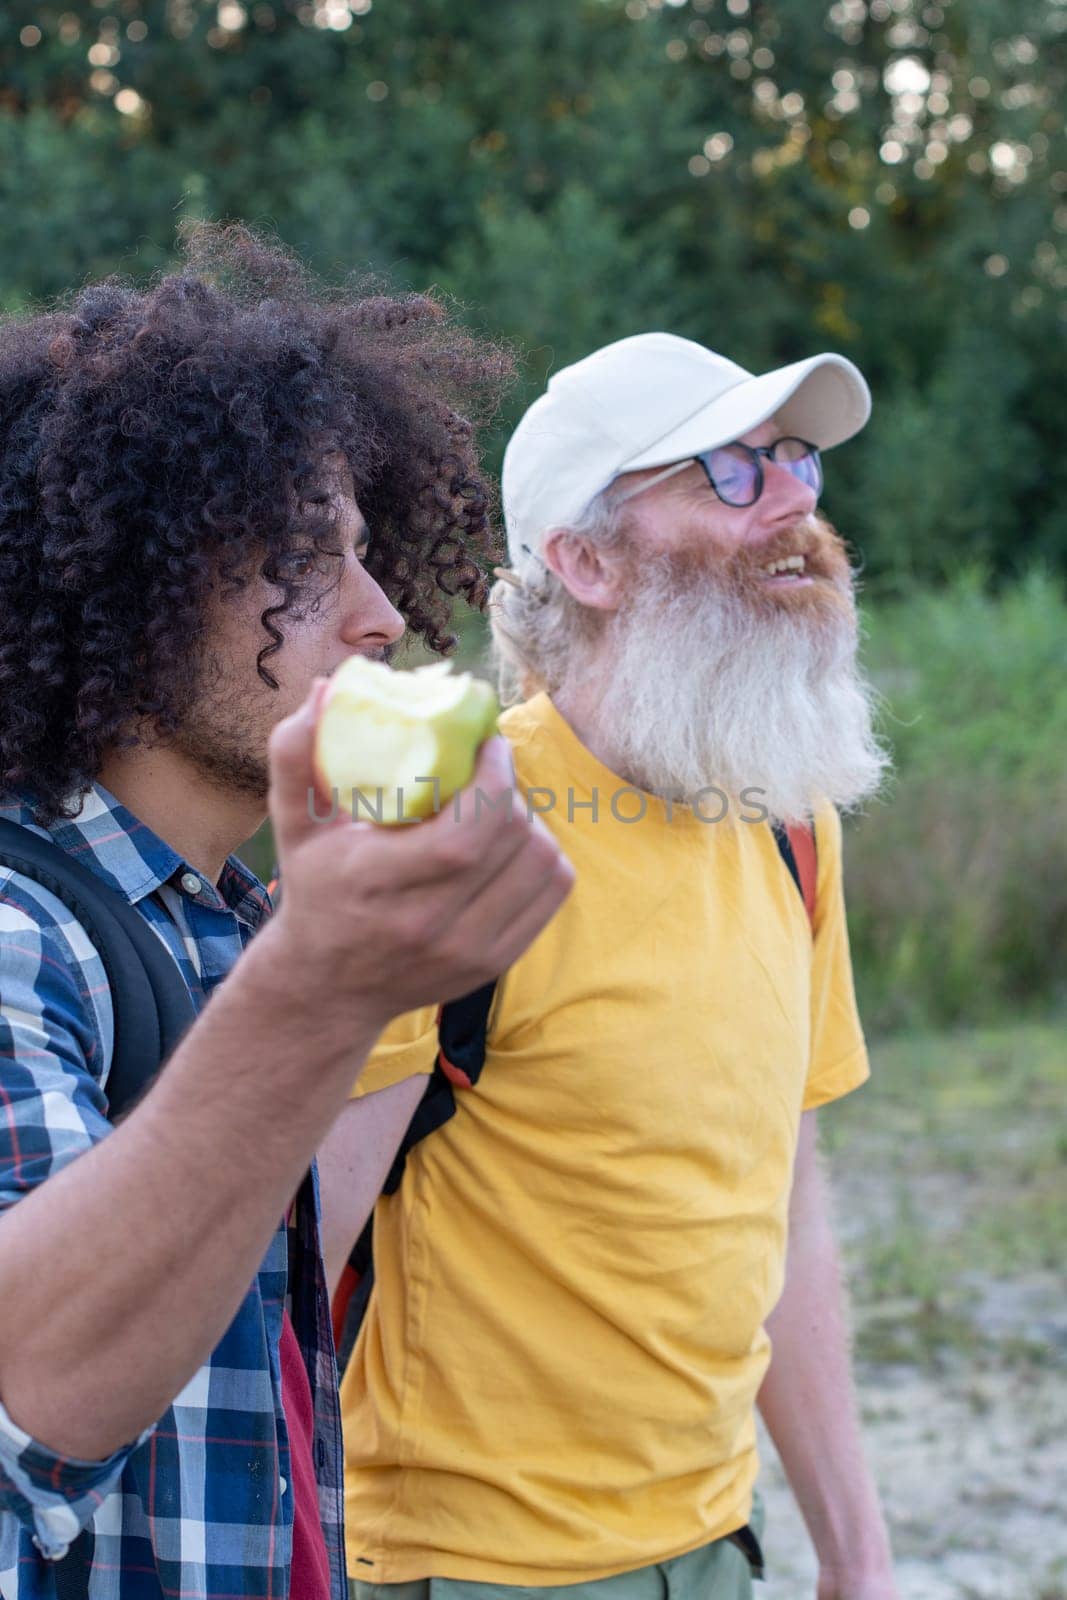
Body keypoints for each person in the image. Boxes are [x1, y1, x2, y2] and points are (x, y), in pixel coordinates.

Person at [0, 226, 573, 1600]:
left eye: (371, 554)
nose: (382, 617)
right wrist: (324, 985)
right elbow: (36, 1387)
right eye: (307, 557)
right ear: (133, 574)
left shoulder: (237, 924)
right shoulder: (21, 924)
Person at [322, 334, 900, 1600]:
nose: (797, 500)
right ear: (584, 563)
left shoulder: (786, 815)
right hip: (478, 1570)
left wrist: (854, 1550)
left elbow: (778, 1186)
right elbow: (290, 1252)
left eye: (795, 460)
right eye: (729, 474)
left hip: (713, 1546)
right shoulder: (450, 816)